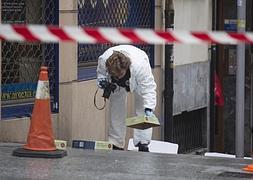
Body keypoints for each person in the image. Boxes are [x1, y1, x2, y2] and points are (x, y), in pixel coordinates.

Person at [96, 45, 157, 152]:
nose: (118, 77)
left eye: (120, 74)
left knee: (143, 105)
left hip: (137, 78)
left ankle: (143, 143)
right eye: (115, 75)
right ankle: (116, 143)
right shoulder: (104, 60)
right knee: (116, 108)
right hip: (117, 85)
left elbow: (149, 88)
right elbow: (101, 73)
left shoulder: (140, 66)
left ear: (126, 67)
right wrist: (102, 81)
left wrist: (149, 108)